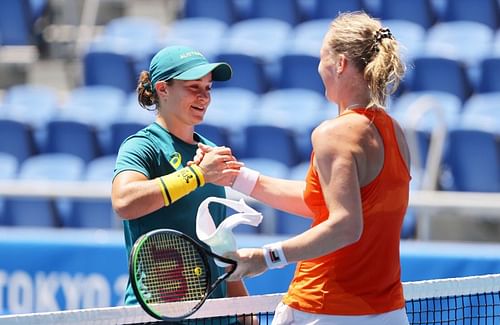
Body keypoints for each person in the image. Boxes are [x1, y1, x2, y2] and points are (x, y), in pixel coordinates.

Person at [194, 11, 411, 325]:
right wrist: (238, 177)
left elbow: (346, 226)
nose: (318, 67)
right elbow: (323, 201)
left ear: (339, 64)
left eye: (322, 57)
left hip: (324, 309)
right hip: (389, 314)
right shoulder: (395, 132)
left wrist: (267, 257)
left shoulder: (333, 133)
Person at [111, 45, 256, 324]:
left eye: (208, 88)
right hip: (156, 315)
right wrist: (198, 176)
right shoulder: (143, 146)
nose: (204, 97)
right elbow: (124, 201)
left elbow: (220, 249)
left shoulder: (210, 152)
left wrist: (247, 314)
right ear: (163, 89)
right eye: (193, 87)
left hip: (216, 317)